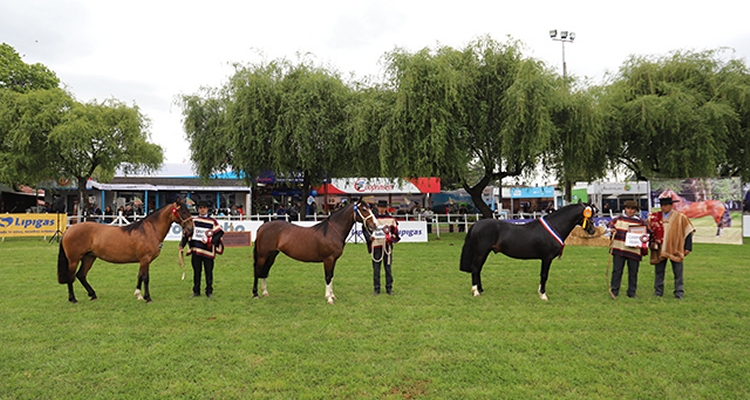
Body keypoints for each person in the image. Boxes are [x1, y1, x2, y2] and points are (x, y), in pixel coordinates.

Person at [648, 196, 695, 299]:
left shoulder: (680, 217)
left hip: (675, 247)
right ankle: (658, 291)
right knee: (659, 271)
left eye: (665, 205)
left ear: (671, 205)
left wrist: (687, 247)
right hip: (659, 248)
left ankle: (679, 292)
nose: (663, 207)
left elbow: (688, 231)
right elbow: (647, 231)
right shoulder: (654, 217)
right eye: (661, 205)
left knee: (678, 271)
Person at [179, 200, 225, 298]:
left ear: (207, 209)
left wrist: (210, 242)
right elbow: (187, 233)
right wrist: (181, 245)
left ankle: (209, 291)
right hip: (196, 250)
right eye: (200, 208)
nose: (202, 210)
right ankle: (196, 291)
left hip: (208, 250)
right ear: (198, 209)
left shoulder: (212, 221)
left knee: (209, 272)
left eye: (204, 208)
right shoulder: (194, 221)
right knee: (196, 271)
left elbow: (219, 233)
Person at [607, 200, 649, 298]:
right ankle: (614, 291)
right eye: (628, 208)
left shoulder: (641, 222)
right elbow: (608, 227)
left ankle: (632, 292)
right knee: (617, 271)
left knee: (633, 272)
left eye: (632, 209)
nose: (630, 211)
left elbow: (648, 234)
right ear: (625, 209)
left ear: (636, 210)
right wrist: (611, 230)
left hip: (634, 251)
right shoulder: (617, 219)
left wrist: (643, 243)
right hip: (619, 250)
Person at [362, 200, 401, 295]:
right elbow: (365, 229)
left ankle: (389, 288)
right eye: (380, 207)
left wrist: (392, 238)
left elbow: (395, 232)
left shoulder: (391, 219)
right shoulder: (373, 218)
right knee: (376, 269)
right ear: (377, 207)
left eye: (383, 207)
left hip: (387, 246)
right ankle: (376, 288)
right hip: (376, 245)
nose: (382, 209)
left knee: (388, 268)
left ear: (386, 208)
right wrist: (369, 237)